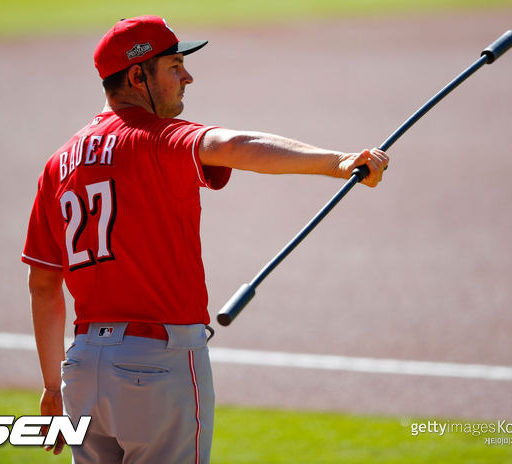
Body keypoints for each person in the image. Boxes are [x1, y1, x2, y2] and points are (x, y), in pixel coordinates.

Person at [22, 15, 388, 464]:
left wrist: (50, 386)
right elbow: (234, 144)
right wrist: (339, 162)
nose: (187, 76)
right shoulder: (156, 138)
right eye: (174, 66)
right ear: (138, 75)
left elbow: (42, 285)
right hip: (156, 365)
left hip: (80, 371)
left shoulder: (58, 165)